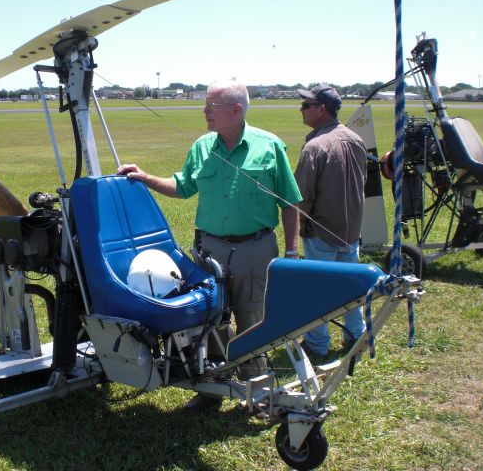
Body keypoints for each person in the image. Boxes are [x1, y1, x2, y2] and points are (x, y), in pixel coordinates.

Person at [118, 80, 302, 409]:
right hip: (209, 251)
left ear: (236, 110)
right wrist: (146, 177)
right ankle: (211, 390)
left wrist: (290, 252)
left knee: (252, 320)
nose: (204, 112)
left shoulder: (270, 146)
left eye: (210, 107)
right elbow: (183, 186)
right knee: (209, 320)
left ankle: (256, 392)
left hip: (255, 249)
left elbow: (290, 204)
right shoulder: (202, 146)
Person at [294, 84, 367, 356]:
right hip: (351, 232)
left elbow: (302, 197)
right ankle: (357, 339)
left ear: (321, 110)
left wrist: (301, 227)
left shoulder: (314, 146)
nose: (301, 110)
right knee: (352, 290)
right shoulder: (356, 139)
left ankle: (317, 345)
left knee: (318, 292)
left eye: (306, 105)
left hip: (321, 234)